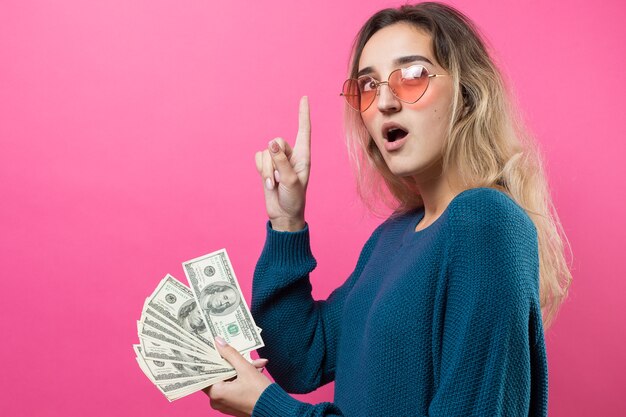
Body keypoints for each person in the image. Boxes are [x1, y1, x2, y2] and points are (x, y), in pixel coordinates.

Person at [203, 2, 573, 416]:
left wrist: (267, 407)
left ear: (468, 93)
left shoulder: (485, 222)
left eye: (412, 76)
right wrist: (286, 221)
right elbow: (301, 357)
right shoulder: (394, 237)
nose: (384, 102)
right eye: (367, 86)